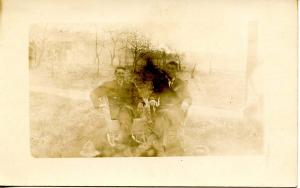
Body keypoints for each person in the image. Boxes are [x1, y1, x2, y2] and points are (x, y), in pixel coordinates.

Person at [90, 66, 143, 147]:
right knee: (125, 114)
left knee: (126, 112)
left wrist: (140, 103)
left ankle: (123, 138)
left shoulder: (130, 85)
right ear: (115, 74)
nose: (120, 75)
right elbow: (94, 93)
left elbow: (138, 97)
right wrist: (97, 104)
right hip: (115, 110)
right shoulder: (109, 85)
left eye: (122, 73)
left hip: (129, 109)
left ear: (124, 75)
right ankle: (125, 138)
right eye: (118, 73)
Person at [150, 61, 192, 156]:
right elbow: (154, 94)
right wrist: (152, 100)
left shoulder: (181, 83)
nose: (170, 71)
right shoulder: (160, 82)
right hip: (163, 109)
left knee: (169, 118)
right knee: (164, 116)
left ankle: (165, 145)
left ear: (176, 70)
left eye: (173, 69)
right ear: (166, 70)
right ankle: (164, 145)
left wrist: (185, 102)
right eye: (168, 68)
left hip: (176, 110)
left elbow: (188, 97)